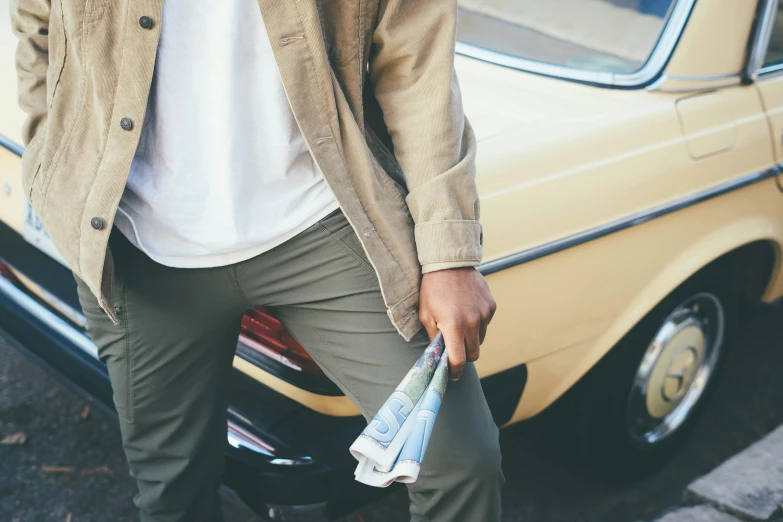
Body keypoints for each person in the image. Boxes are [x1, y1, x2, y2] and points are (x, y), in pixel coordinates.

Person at [10, 0, 503, 520]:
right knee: (172, 493)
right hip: (142, 241)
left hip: (323, 221)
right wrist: (53, 150)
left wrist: (449, 256)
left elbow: (416, 58)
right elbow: (36, 24)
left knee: (458, 462)